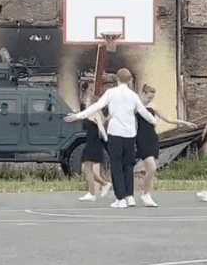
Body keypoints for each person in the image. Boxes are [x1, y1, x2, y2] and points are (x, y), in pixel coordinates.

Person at [65, 68, 156, 209]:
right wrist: (153, 121)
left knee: (116, 166)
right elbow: (144, 112)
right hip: (130, 134)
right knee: (128, 166)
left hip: (115, 133)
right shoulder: (133, 96)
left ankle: (120, 199)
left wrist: (77, 115)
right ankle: (130, 196)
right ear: (130, 80)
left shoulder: (110, 93)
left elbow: (96, 106)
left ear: (116, 79)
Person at [136, 84, 197, 207]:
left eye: (152, 98)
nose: (150, 100)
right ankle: (145, 193)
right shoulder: (135, 106)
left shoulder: (152, 106)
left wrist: (184, 123)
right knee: (152, 168)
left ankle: (145, 191)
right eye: (148, 97)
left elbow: (168, 119)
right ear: (143, 93)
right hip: (141, 138)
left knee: (151, 169)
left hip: (152, 138)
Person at [78, 96, 113, 202]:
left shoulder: (95, 113)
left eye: (87, 100)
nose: (85, 101)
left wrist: (106, 138)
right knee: (86, 169)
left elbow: (101, 127)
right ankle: (104, 184)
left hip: (94, 143)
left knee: (87, 169)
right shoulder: (88, 113)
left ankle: (91, 193)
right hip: (91, 142)